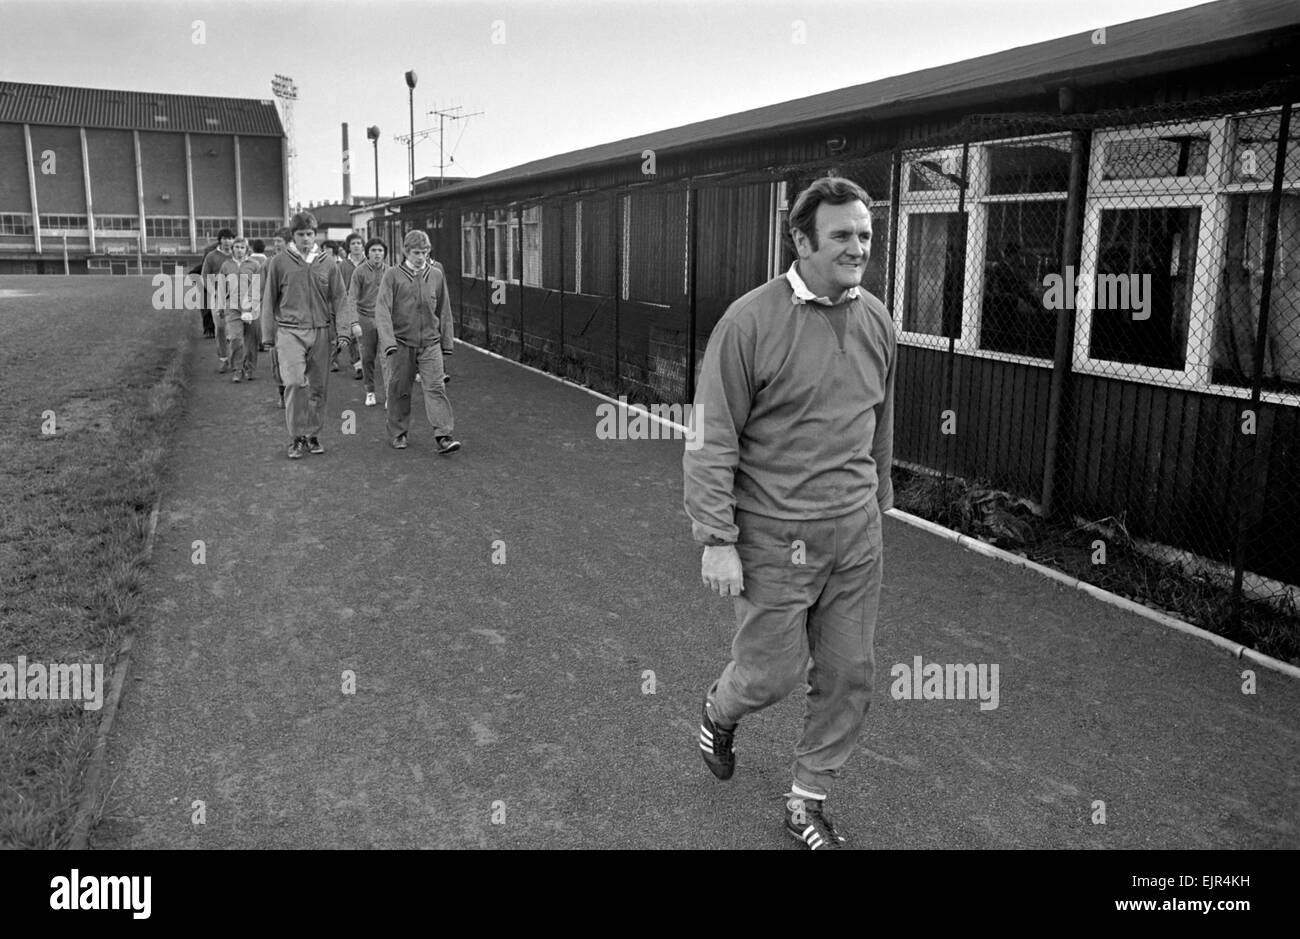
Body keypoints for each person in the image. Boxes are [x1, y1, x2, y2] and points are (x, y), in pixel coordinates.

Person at [684, 176, 895, 851]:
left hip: (856, 533)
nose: (857, 246)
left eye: (864, 234)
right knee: (773, 673)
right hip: (776, 535)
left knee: (849, 672)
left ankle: (806, 801)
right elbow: (712, 432)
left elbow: (879, 423)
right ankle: (721, 706)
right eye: (842, 235)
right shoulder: (749, 321)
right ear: (802, 241)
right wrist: (717, 536)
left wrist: (879, 502)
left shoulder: (879, 321)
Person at [260, 212, 359, 459]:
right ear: (293, 236)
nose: (306, 238)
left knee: (318, 388)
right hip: (289, 331)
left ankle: (312, 435)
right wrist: (268, 335)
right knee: (293, 382)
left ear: (316, 235)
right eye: (301, 234)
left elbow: (339, 298)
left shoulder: (328, 263)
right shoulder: (279, 262)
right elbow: (268, 299)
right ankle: (296, 437)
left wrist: (344, 331)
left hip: (321, 331)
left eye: (310, 234)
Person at [375, 230, 460, 454]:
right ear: (405, 251)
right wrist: (388, 343)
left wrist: (446, 342)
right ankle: (398, 433)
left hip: (430, 343)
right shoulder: (392, 276)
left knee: (436, 387)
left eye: (424, 252)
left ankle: (444, 435)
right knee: (400, 390)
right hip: (402, 343)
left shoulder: (436, 275)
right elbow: (382, 310)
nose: (420, 257)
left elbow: (444, 308)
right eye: (415, 252)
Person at [347, 237, 389, 407]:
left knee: (388, 357)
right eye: (373, 250)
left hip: (386, 319)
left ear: (384, 253)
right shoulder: (359, 272)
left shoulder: (391, 272)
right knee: (368, 357)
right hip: (365, 318)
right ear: (367, 253)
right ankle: (370, 391)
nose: (377, 254)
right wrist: (354, 322)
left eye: (380, 250)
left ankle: (389, 395)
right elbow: (352, 298)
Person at [217, 237, 262, 382]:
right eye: (236, 247)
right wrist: (221, 306)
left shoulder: (255, 265)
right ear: (232, 249)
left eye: (242, 247)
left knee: (251, 340)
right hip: (233, 307)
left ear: (247, 249)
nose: (239, 250)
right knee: (236, 339)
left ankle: (250, 369)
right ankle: (237, 369)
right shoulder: (226, 265)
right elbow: (222, 287)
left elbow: (258, 287)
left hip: (251, 308)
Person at [201, 229, 236, 371]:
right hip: (217, 297)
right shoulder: (211, 256)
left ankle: (237, 360)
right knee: (220, 328)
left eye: (230, 238)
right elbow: (204, 276)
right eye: (225, 238)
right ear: (220, 240)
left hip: (235, 297)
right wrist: (213, 292)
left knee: (236, 330)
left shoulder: (238, 254)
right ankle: (223, 358)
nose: (228, 241)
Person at [338, 233, 367, 380]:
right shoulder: (342, 266)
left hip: (367, 305)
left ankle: (366, 362)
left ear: (363, 246)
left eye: (359, 243)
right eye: (353, 243)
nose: (356, 246)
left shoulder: (369, 264)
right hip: (350, 305)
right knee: (353, 336)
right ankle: (358, 365)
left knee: (367, 336)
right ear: (348, 247)